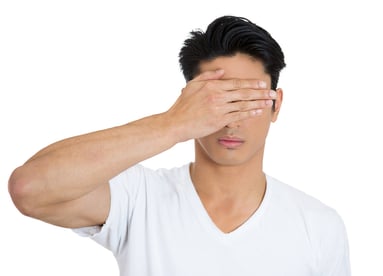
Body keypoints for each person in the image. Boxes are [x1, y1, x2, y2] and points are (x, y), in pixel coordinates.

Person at [8, 15, 351, 275]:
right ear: (189, 100)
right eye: (217, 100)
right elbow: (30, 187)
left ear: (276, 105)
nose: (231, 119)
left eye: (246, 99)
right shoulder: (138, 198)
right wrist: (174, 123)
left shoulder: (319, 225)